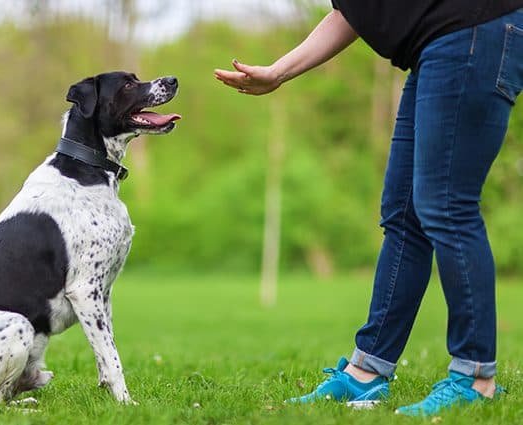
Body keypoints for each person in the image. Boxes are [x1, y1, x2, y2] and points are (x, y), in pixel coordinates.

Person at [215, 1, 523, 417]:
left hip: (471, 32)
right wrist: (278, 71)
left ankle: (475, 377)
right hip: (437, 48)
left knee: (447, 206)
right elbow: (353, 13)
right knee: (403, 216)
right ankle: (368, 371)